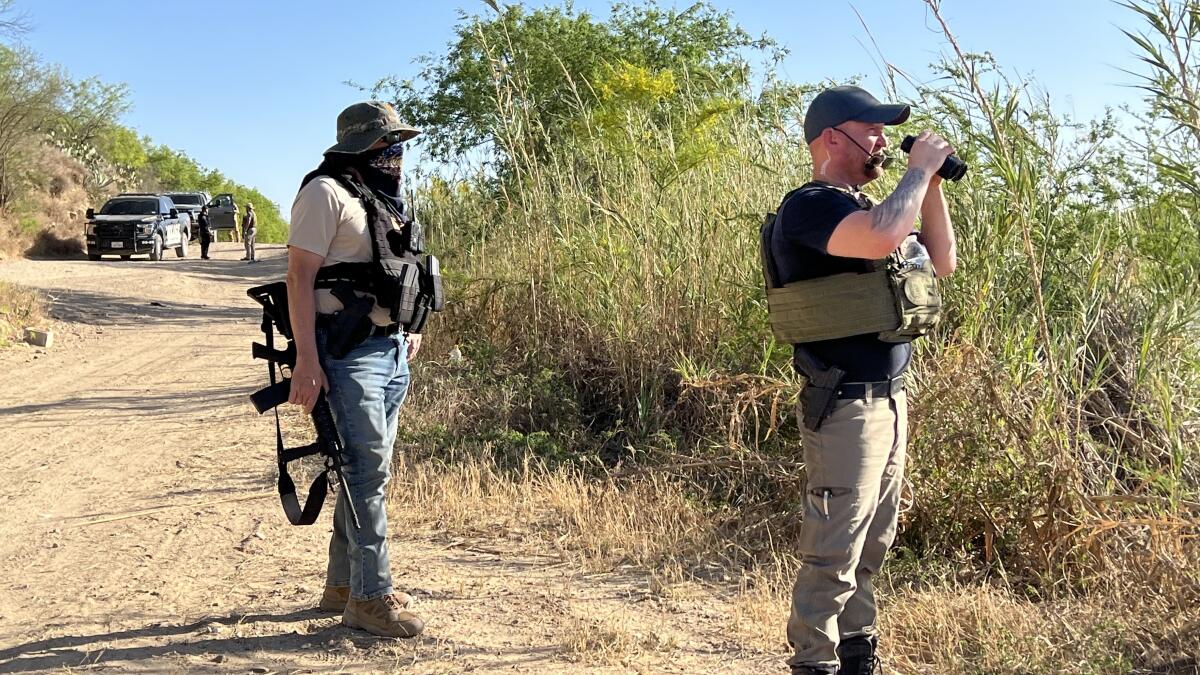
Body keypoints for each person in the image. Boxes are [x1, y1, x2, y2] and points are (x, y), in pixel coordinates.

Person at [770, 85, 958, 675]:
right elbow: (880, 235)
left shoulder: (867, 208)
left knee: (871, 544)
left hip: (890, 401)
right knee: (833, 551)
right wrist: (918, 169)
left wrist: (928, 184)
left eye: (884, 131)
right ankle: (814, 664)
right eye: (870, 129)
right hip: (846, 405)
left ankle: (858, 656)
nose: (881, 141)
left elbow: (942, 261)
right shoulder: (811, 206)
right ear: (831, 138)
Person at [285, 101, 426, 639]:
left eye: (399, 146)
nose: (396, 156)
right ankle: (371, 598)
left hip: (391, 351)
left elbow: (402, 272)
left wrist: (409, 328)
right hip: (347, 356)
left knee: (366, 471)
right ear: (360, 148)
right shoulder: (324, 194)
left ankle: (343, 585)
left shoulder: (383, 200)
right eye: (386, 147)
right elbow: (299, 278)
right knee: (367, 474)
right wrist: (306, 360)